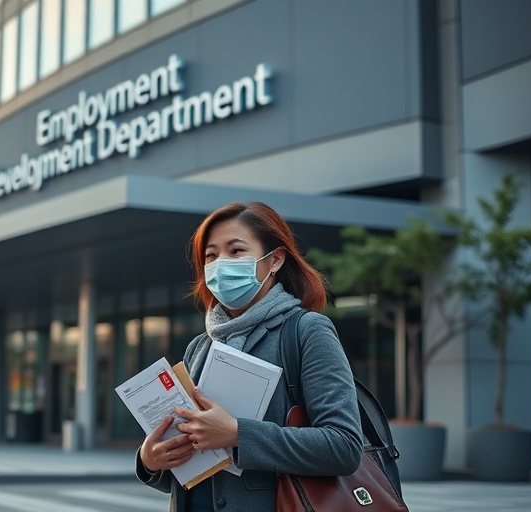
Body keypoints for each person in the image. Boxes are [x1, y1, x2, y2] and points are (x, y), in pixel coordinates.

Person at [136, 202, 363, 511]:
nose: (221, 264)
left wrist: (238, 434)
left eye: (236, 250)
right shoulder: (199, 347)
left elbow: (344, 447)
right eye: (211, 256)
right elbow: (188, 469)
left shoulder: (307, 331)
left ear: (275, 260)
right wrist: (151, 460)